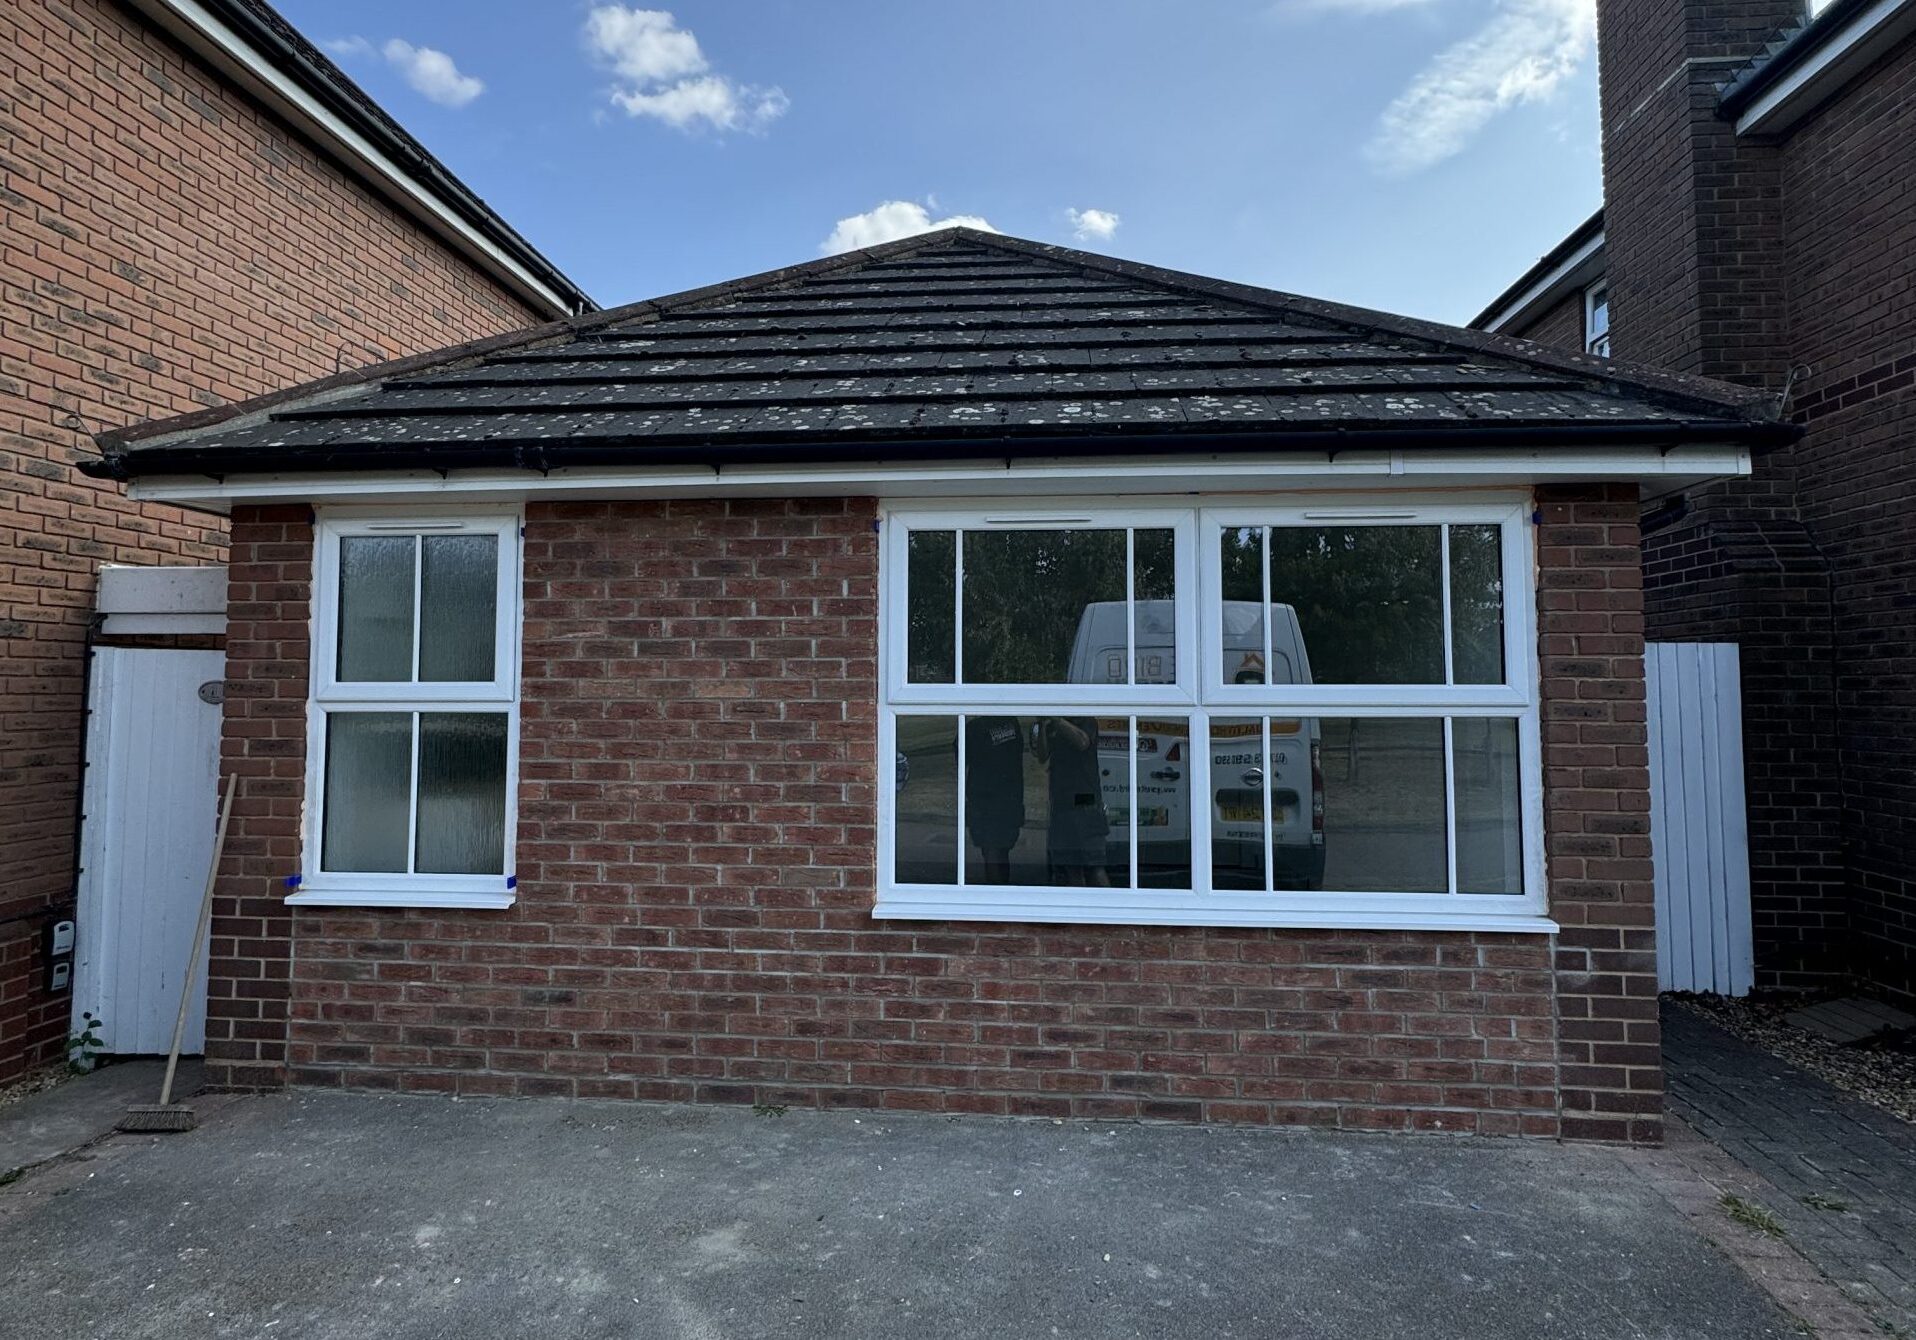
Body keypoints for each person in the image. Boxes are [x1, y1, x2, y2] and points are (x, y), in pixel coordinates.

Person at [1036, 715, 1111, 886]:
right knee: (1070, 866)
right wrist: (1042, 726)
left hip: (1085, 800)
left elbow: (1082, 742)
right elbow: (1042, 756)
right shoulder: (1052, 726)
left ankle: (1105, 901)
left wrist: (1057, 720)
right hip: (1061, 803)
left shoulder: (1086, 721)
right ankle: (1079, 901)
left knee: (1094, 865)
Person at [963, 716, 1024, 883]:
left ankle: (997, 890)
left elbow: (962, 758)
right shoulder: (1011, 722)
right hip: (1007, 798)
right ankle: (1000, 889)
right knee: (999, 852)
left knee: (993, 853)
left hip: (988, 800)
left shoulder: (976, 727)